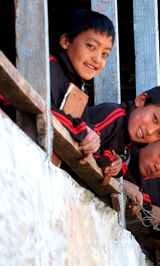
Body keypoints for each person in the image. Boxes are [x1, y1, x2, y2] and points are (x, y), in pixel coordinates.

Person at [87, 85, 160, 183]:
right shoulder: (114, 115)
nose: (150, 131)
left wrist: (117, 165)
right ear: (140, 100)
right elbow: (87, 140)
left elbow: (121, 160)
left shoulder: (130, 144)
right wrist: (108, 159)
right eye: (155, 119)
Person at [50, 9, 115, 161]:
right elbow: (40, 107)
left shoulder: (78, 89)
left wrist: (94, 145)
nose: (98, 59)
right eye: (91, 46)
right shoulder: (47, 66)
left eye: (105, 54)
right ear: (66, 41)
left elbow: (83, 130)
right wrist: (81, 131)